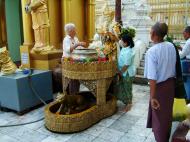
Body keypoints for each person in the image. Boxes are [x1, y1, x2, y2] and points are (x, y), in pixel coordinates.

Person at [144, 22, 176, 142]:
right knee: (166, 116)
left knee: (158, 120)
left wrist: (152, 97)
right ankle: (165, 137)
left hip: (159, 88)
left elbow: (152, 77)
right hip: (170, 86)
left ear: (153, 34)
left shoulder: (152, 51)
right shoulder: (171, 46)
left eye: (150, 32)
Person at [62, 23, 86, 95]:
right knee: (72, 79)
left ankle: (77, 94)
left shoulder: (75, 38)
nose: (76, 31)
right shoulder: (66, 39)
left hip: (75, 60)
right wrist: (77, 44)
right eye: (74, 30)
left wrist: (87, 49)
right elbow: (68, 50)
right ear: (69, 31)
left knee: (76, 78)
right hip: (68, 61)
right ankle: (72, 95)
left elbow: (79, 48)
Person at [114, 33, 136, 111]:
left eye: (122, 41)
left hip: (127, 73)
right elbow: (118, 40)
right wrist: (112, 33)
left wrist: (120, 72)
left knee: (127, 88)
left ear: (126, 43)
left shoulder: (128, 52)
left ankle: (129, 104)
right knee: (122, 87)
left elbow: (126, 65)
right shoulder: (125, 47)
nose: (121, 42)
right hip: (124, 72)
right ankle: (126, 101)